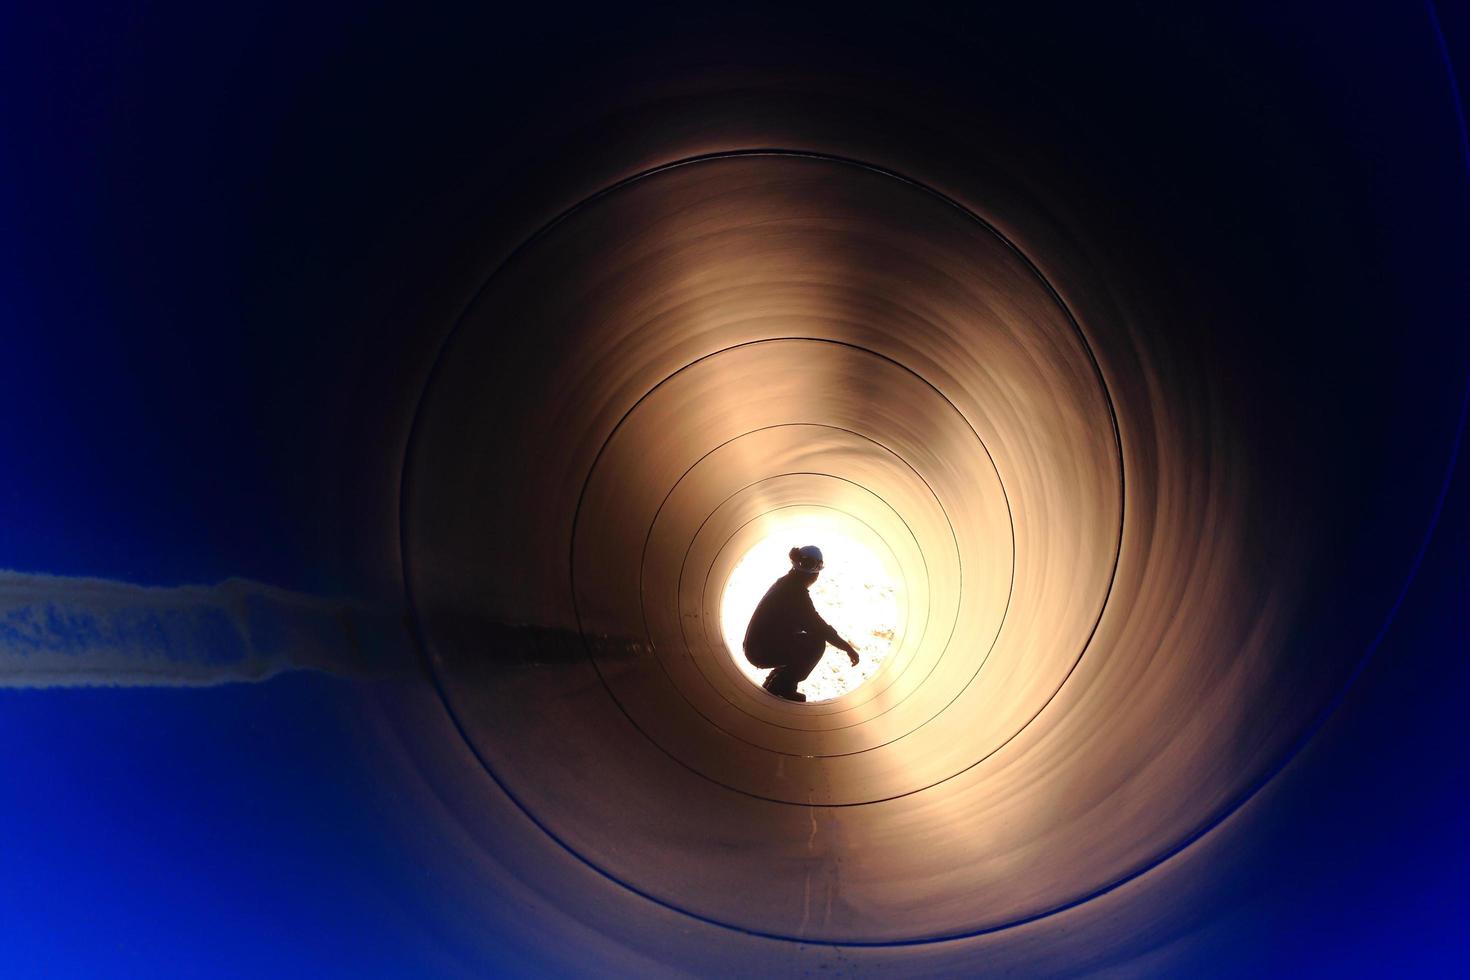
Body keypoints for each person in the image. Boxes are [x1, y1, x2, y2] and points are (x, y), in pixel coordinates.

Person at [742, 545, 860, 702]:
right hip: (761, 651)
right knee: (815, 643)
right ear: (816, 574)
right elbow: (819, 627)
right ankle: (783, 686)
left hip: (756, 647)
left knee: (804, 638)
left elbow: (811, 623)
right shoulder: (795, 594)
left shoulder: (786, 582)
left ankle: (777, 681)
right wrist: (847, 647)